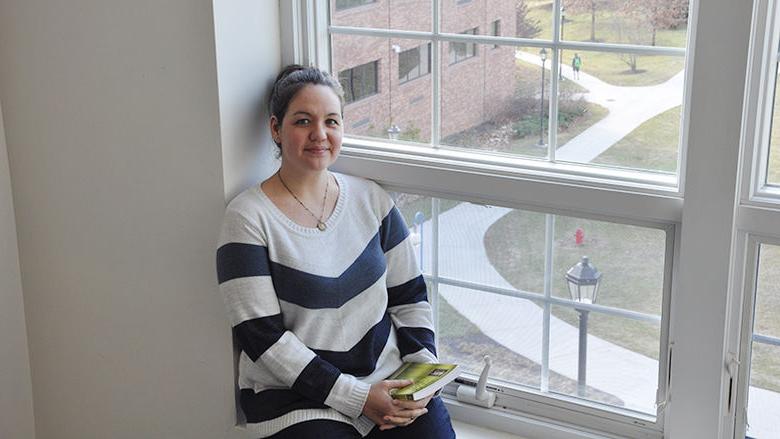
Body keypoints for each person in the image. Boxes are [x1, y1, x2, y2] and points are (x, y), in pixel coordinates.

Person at [216, 65, 456, 439]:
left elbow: (409, 297)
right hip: (295, 399)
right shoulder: (247, 217)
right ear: (275, 129)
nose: (319, 134)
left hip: (388, 382)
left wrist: (423, 373)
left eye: (331, 121)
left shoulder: (372, 200)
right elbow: (261, 338)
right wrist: (357, 398)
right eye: (302, 121)